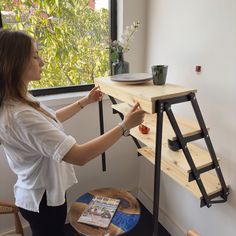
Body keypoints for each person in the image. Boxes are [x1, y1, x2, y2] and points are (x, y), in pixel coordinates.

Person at [0, 29, 145, 236]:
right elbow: (80, 155)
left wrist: (84, 102)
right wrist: (124, 126)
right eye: (35, 56)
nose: (41, 62)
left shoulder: (19, 99)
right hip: (42, 201)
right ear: (15, 62)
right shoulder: (20, 115)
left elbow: (50, 121)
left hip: (40, 193)